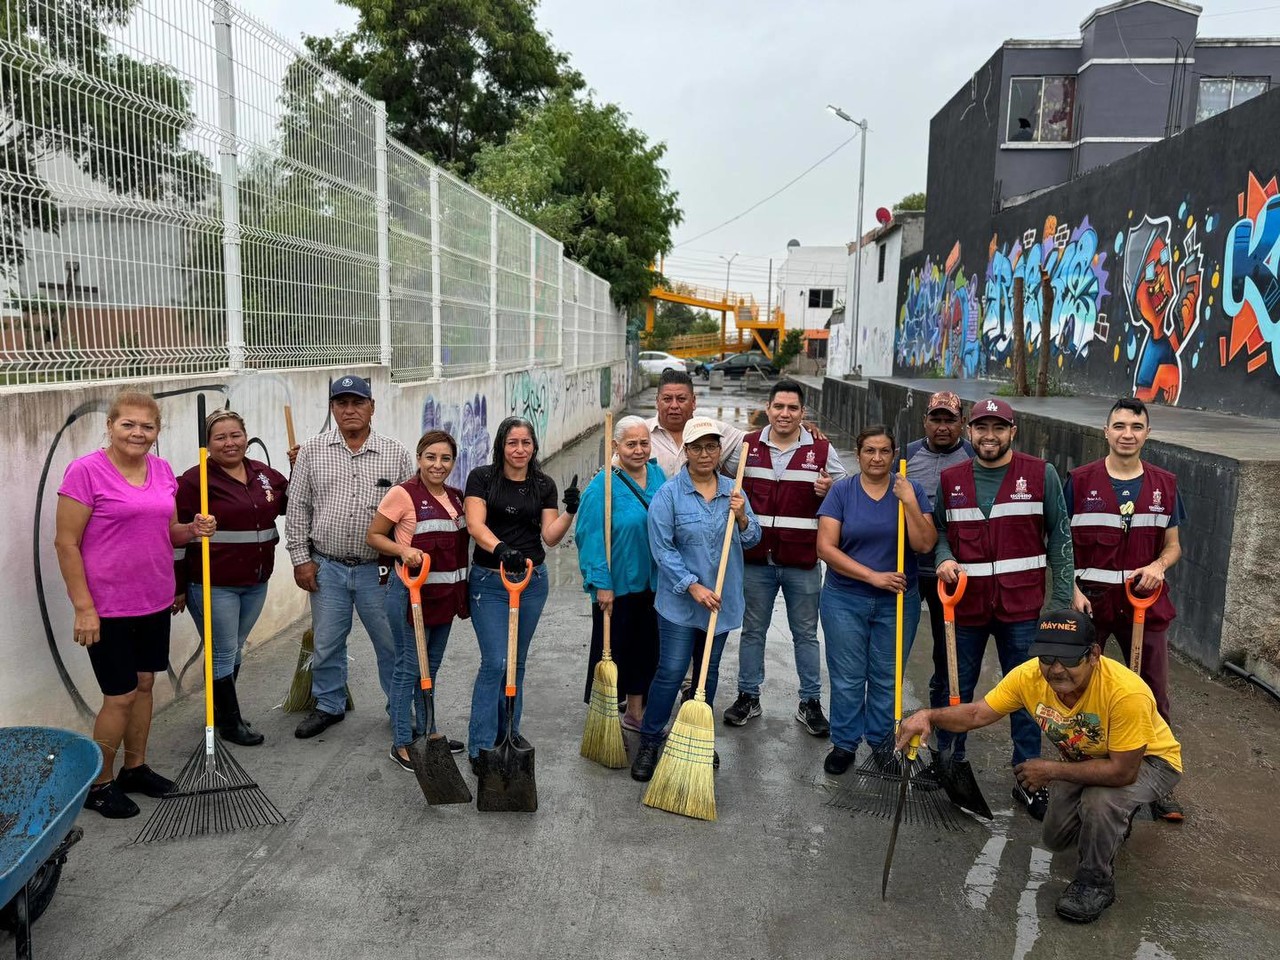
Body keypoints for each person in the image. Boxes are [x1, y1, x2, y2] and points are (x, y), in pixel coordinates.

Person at [897, 610, 1183, 924]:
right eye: (1047, 657)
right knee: (1056, 838)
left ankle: (1095, 882)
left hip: (1149, 762)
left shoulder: (1126, 692)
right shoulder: (1029, 676)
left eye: (1069, 659)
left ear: (1094, 655)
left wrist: (1051, 770)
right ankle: (1114, 824)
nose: (1056, 669)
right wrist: (929, 716)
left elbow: (1122, 772)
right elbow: (978, 714)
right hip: (1088, 759)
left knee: (1100, 801)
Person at [54, 389, 216, 818]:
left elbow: (168, 534)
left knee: (146, 686)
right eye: (128, 424)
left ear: (157, 431)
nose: (137, 433)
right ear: (109, 426)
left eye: (147, 426)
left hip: (154, 599)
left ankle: (135, 767)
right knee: (120, 696)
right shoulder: (85, 472)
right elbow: (66, 543)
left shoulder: (162, 471)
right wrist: (83, 607)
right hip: (106, 608)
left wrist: (193, 529)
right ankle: (99, 783)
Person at [933, 397, 1075, 820]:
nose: (989, 436)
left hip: (1023, 608)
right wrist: (942, 557)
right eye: (981, 428)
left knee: (1030, 697)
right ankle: (949, 761)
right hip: (966, 607)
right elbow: (939, 529)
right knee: (954, 687)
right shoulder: (952, 478)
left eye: (998, 428)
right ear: (969, 431)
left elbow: (1061, 543)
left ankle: (1027, 780)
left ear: (1013, 432)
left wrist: (1061, 608)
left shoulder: (1040, 474)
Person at [1067, 397, 1186, 822]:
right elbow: (1061, 544)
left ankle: (1159, 783)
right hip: (1092, 603)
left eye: (1136, 426)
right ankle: (1084, 773)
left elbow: (1173, 546)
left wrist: (1157, 565)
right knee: (1081, 690)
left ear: (1147, 433)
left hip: (1146, 605)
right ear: (1106, 431)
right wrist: (1071, 587)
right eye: (1119, 426)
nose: (1127, 433)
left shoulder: (1164, 484)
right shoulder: (1079, 482)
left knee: (1153, 694)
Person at [630, 418, 762, 782]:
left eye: (711, 447)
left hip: (720, 601)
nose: (705, 454)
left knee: (708, 673)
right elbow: (662, 549)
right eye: (697, 447)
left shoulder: (734, 492)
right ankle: (651, 740)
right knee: (671, 671)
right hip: (680, 603)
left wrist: (743, 518)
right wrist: (692, 586)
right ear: (685, 452)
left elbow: (752, 541)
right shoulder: (669, 496)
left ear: (720, 451)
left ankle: (693, 735)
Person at [285, 374, 413, 739]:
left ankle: (400, 708)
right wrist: (300, 559)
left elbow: (410, 511)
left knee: (391, 643)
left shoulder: (395, 453)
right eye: (342, 403)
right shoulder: (311, 451)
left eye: (358, 402)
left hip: (381, 572)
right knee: (326, 643)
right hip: (328, 567)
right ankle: (328, 704)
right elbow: (298, 508)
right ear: (333, 408)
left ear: (372, 407)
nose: (350, 410)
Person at [720, 378, 847, 736]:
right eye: (779, 407)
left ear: (803, 412)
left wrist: (830, 489)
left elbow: (850, 489)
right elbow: (715, 466)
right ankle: (748, 695)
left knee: (806, 634)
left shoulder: (821, 450)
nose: (785, 414)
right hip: (756, 559)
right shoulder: (746, 447)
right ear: (768, 408)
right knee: (752, 632)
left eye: (793, 408)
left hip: (802, 560)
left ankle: (810, 702)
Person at [815, 426, 935, 774]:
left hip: (897, 600)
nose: (877, 458)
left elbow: (924, 545)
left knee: (886, 676)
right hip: (845, 598)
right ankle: (845, 743)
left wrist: (910, 502)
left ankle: (882, 743)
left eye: (884, 451)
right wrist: (872, 576)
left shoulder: (908, 489)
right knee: (849, 676)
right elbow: (825, 547)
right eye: (869, 450)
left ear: (895, 453)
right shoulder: (842, 492)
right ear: (859, 453)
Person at [464, 417, 578, 770]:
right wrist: (500, 549)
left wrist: (570, 511)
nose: (519, 449)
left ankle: (509, 732)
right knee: (495, 661)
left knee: (518, 663)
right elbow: (475, 523)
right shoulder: (482, 478)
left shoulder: (543, 484)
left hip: (531, 581)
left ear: (534, 447)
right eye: (512, 443)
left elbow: (550, 536)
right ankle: (481, 745)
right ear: (501, 446)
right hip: (491, 581)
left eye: (525, 443)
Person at [176, 409, 288, 747]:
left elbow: (287, 504)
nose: (230, 443)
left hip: (255, 581)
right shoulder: (193, 481)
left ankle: (221, 712)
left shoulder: (264, 474)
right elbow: (176, 537)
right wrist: (178, 586)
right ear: (208, 444)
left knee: (234, 648)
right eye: (220, 437)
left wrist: (298, 469)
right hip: (213, 582)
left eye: (235, 435)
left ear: (246, 437)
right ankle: (229, 722)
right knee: (224, 651)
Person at [366, 430, 469, 771]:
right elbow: (375, 535)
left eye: (445, 458)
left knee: (431, 669)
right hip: (410, 596)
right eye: (430, 457)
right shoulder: (403, 495)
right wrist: (403, 549)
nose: (438, 465)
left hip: (444, 597)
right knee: (408, 668)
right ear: (419, 458)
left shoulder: (456, 498)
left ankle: (430, 733)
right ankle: (402, 742)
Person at [575, 415, 667, 731]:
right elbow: (589, 537)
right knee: (612, 651)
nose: (639, 450)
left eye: (644, 443)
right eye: (631, 444)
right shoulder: (602, 486)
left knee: (646, 651)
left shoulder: (658, 476)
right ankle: (605, 719)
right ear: (616, 446)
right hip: (616, 586)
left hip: (653, 583)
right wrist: (601, 583)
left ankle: (636, 713)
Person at [904, 391, 975, 733]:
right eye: (936, 419)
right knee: (895, 641)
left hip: (950, 571)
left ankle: (940, 716)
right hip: (908, 567)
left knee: (947, 651)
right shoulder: (906, 456)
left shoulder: (974, 457)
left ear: (962, 422)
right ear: (925, 422)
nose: (943, 427)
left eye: (950, 420)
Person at [646, 369, 746, 478]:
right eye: (667, 399)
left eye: (681, 399)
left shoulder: (714, 430)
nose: (674, 405)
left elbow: (750, 440)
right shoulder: (640, 433)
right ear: (657, 401)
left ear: (693, 402)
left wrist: (727, 472)